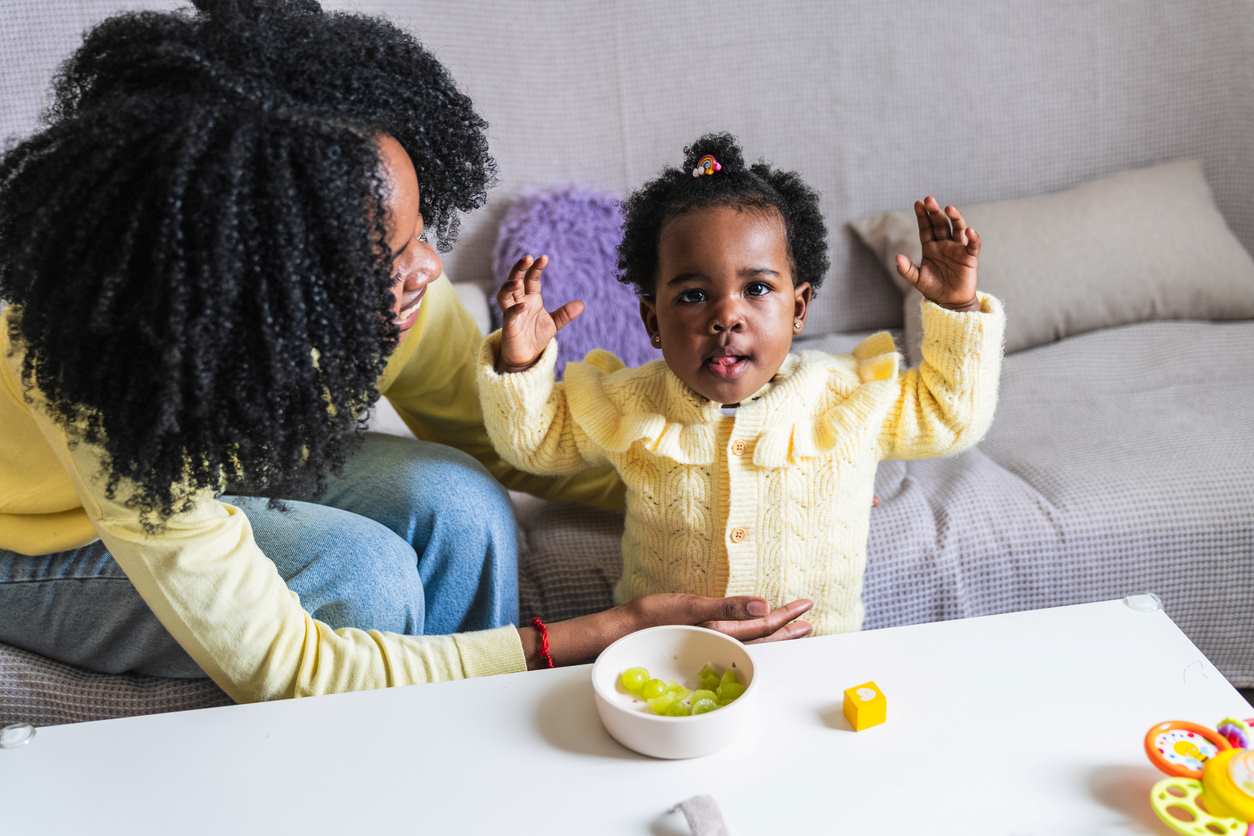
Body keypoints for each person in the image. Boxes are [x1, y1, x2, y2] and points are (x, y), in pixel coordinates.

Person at [0, 3, 812, 704]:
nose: (427, 266)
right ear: (269, 284)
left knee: (460, 501)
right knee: (358, 575)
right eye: (388, 255)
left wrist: (734, 471)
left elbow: (508, 439)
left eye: (419, 229)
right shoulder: (112, 373)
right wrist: (593, 634)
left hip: (213, 461)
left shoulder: (392, 305)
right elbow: (286, 662)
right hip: (32, 529)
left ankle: (470, 746)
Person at [479, 133, 1006, 636]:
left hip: (815, 653)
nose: (726, 316)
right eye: (691, 295)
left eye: (756, 288)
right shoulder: (632, 402)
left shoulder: (845, 396)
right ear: (652, 322)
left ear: (798, 308)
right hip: (669, 652)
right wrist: (521, 359)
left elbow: (949, 417)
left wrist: (955, 308)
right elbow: (535, 442)